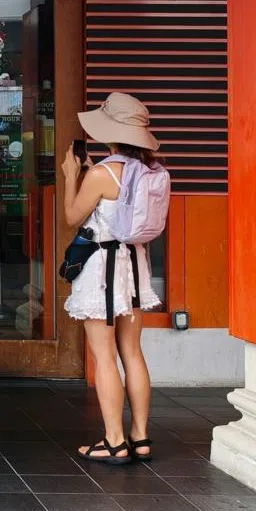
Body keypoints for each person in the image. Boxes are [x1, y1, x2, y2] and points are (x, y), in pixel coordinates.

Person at [62, 92, 164, 466]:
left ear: (110, 134)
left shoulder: (103, 173)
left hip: (103, 271)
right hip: (136, 267)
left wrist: (74, 176)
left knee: (104, 356)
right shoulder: (151, 171)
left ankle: (114, 441)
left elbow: (73, 217)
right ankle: (140, 436)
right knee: (132, 352)